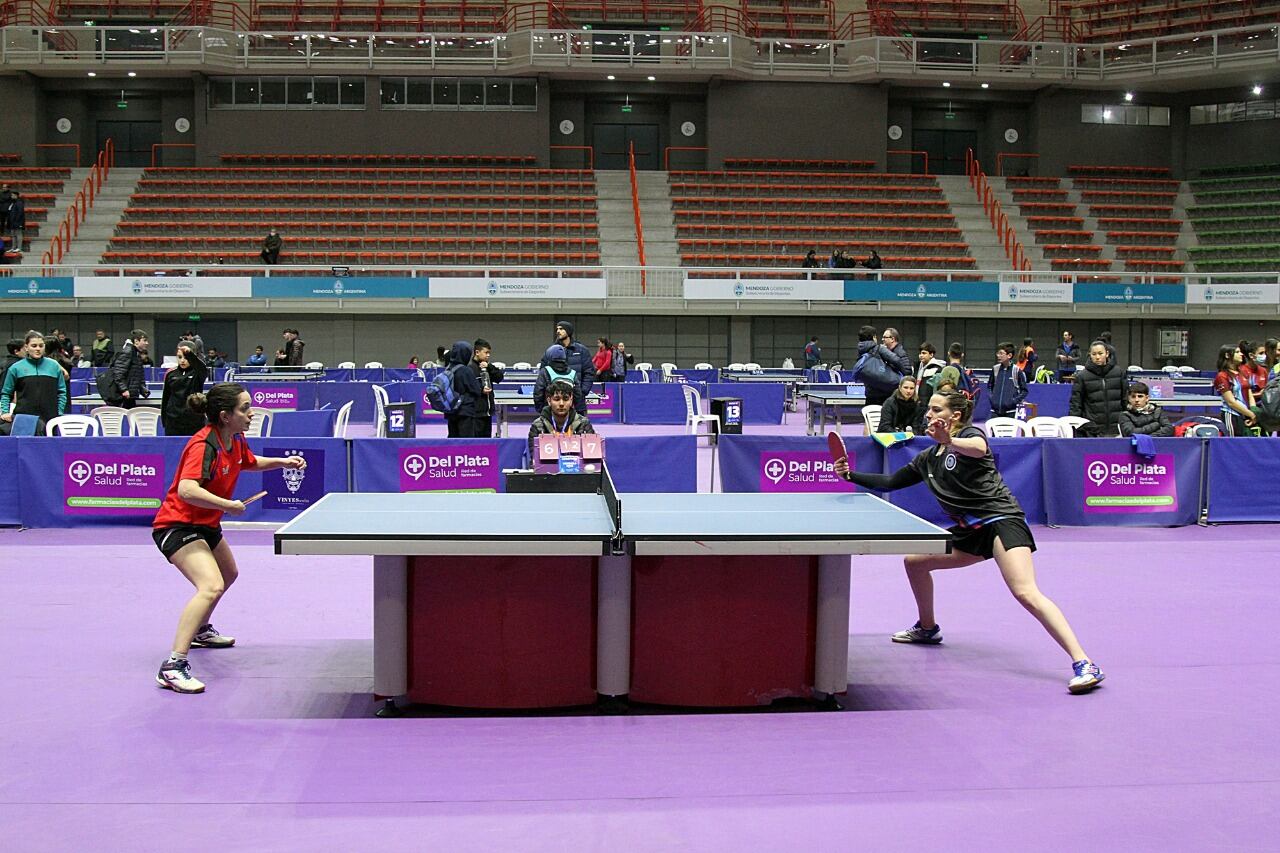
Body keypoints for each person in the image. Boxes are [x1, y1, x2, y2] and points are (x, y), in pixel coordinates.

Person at [834, 389, 1106, 695]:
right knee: (915, 562)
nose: (929, 414)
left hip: (1001, 520)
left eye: (937, 410)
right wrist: (851, 475)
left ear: (956, 416)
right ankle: (927, 628)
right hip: (971, 530)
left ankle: (1084, 662)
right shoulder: (927, 458)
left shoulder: (971, 436)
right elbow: (891, 482)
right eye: (929, 409)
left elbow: (977, 448)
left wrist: (950, 441)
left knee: (1025, 592)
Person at [151, 384, 306, 693]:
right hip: (178, 525)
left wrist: (282, 463)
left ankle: (201, 631)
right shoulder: (203, 445)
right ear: (225, 416)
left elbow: (248, 462)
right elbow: (186, 489)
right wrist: (227, 506)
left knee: (229, 574)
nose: (251, 413)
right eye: (245, 408)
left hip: (205, 525)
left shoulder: (234, 440)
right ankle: (173, 665)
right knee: (210, 586)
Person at [0, 331, 67, 435]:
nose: (38, 349)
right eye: (34, 346)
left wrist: (59, 412)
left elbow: (61, 392)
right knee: (26, 449)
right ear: (26, 347)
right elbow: (6, 393)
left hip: (50, 418)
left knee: (48, 449)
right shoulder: (16, 368)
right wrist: (4, 412)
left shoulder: (54, 366)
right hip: (24, 419)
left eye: (41, 346)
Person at [527, 377, 595, 461]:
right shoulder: (537, 426)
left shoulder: (584, 424)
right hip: (547, 472)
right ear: (549, 401)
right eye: (557, 399)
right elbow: (535, 460)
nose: (561, 403)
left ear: (571, 400)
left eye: (566, 399)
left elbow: (592, 457)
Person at [1069, 341, 1127, 436]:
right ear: (1090, 355)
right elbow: (1076, 403)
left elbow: (1125, 399)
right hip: (1092, 430)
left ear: (1107, 354)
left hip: (1117, 428)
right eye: (1094, 354)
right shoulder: (1082, 376)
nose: (1097, 357)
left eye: (1100, 353)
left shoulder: (1119, 373)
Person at [539, 320, 594, 412]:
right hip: (555, 400)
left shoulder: (582, 350)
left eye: (561, 329)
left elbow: (589, 372)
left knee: (579, 426)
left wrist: (582, 392)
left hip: (576, 401)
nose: (558, 331)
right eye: (557, 329)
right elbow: (543, 372)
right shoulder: (550, 351)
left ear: (568, 331)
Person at [459, 338, 504, 438]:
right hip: (475, 414)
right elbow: (467, 389)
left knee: (486, 442)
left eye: (489, 353)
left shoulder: (488, 367)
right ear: (477, 352)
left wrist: (489, 367)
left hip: (487, 413)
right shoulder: (469, 369)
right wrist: (481, 390)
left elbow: (499, 377)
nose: (488, 355)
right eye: (486, 352)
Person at [161, 345, 208, 437]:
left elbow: (203, 369)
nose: (182, 360)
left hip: (193, 420)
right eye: (179, 357)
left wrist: (189, 354)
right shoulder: (170, 374)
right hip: (173, 420)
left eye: (186, 357)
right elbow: (166, 398)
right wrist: (164, 420)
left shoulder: (198, 373)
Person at [1214, 343, 1256, 436]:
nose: (1241, 354)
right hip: (1232, 415)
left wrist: (1253, 410)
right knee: (1234, 445)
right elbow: (1231, 402)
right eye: (1237, 352)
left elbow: (1249, 394)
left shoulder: (1243, 372)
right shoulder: (1222, 376)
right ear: (1227, 355)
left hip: (1246, 414)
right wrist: (1251, 414)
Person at [107, 329, 150, 410]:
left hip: (131, 394)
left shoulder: (135, 353)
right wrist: (124, 390)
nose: (147, 343)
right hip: (125, 396)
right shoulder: (128, 352)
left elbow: (136, 374)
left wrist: (142, 390)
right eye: (144, 340)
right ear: (136, 341)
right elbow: (118, 373)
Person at [988, 342, 1028, 419]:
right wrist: (992, 398)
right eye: (997, 353)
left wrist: (1013, 401)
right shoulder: (995, 369)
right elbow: (990, 386)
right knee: (994, 431)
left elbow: (1024, 391)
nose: (998, 356)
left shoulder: (1017, 371)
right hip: (994, 411)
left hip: (1010, 411)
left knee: (1008, 431)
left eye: (1001, 353)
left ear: (1009, 355)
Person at [533, 344, 578, 412]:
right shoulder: (573, 373)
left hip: (549, 411)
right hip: (568, 412)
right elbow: (578, 395)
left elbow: (538, 392)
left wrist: (542, 410)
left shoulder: (545, 371)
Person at [1237, 339, 1267, 408]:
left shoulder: (1263, 370)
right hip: (1245, 406)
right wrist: (1258, 394)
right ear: (1251, 355)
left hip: (1262, 407)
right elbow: (1240, 394)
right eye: (1261, 353)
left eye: (1265, 353)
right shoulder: (1241, 370)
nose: (1264, 356)